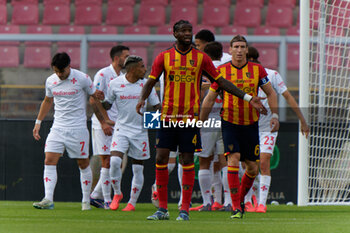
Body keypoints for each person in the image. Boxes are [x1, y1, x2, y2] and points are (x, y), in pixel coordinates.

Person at [136, 20, 267, 221]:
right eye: (184, 31)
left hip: (190, 118)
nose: (188, 34)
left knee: (187, 160)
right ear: (175, 33)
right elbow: (151, 81)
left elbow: (221, 81)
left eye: (190, 31)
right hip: (166, 116)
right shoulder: (163, 57)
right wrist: (142, 99)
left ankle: (184, 210)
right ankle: (162, 209)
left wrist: (248, 98)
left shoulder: (201, 58)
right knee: (161, 158)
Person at [200, 35, 279, 219]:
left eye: (242, 46)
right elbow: (210, 98)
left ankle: (240, 199)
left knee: (252, 168)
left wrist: (275, 114)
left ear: (246, 50)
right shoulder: (221, 71)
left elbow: (271, 93)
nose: (239, 50)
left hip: (251, 124)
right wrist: (200, 121)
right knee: (233, 159)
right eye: (235, 46)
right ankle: (235, 206)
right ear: (230, 50)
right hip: (229, 122)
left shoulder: (257, 70)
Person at [32, 52, 105, 211]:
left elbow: (94, 95)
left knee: (83, 163)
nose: (59, 74)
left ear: (68, 67)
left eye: (61, 71)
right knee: (49, 160)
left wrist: (100, 97)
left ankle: (86, 202)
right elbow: (47, 100)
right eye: (56, 71)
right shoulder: (51, 81)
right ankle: (48, 199)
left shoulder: (82, 78)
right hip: (57, 127)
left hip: (77, 129)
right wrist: (38, 122)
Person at [244, 46, 310, 213]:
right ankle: (248, 201)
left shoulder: (271, 75)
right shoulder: (239, 77)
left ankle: (262, 204)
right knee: (249, 165)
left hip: (268, 127)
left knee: (264, 162)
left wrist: (302, 120)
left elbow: (287, 96)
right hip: (246, 127)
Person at [102, 55, 160, 211]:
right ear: (133, 69)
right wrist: (100, 101)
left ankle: (132, 203)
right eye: (142, 66)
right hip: (121, 129)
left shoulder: (147, 85)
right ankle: (117, 193)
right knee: (114, 161)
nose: (145, 69)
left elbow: (156, 106)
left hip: (140, 132)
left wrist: (153, 126)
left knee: (138, 168)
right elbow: (107, 104)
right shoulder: (115, 84)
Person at [89, 45, 130, 209]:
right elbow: (94, 100)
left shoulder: (124, 75)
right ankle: (105, 199)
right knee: (107, 160)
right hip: (104, 125)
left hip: (118, 124)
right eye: (126, 56)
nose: (128, 58)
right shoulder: (103, 74)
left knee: (116, 162)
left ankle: (96, 195)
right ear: (116, 58)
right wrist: (104, 122)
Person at [190, 41, 227, 212]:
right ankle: (225, 202)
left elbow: (200, 95)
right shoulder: (228, 69)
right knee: (226, 161)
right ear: (221, 54)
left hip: (207, 118)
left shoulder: (202, 70)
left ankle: (207, 202)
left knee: (204, 162)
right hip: (226, 119)